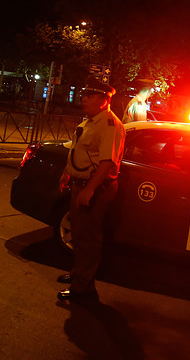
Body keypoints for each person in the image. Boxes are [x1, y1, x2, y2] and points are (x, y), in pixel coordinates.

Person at [57, 76, 125, 302]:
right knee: (78, 234)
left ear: (104, 101)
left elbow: (107, 163)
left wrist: (89, 190)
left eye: (90, 96)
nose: (83, 98)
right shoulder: (89, 121)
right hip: (82, 185)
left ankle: (82, 289)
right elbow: (78, 151)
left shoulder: (109, 125)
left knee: (88, 238)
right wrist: (67, 172)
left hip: (96, 188)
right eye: (84, 95)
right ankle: (79, 275)